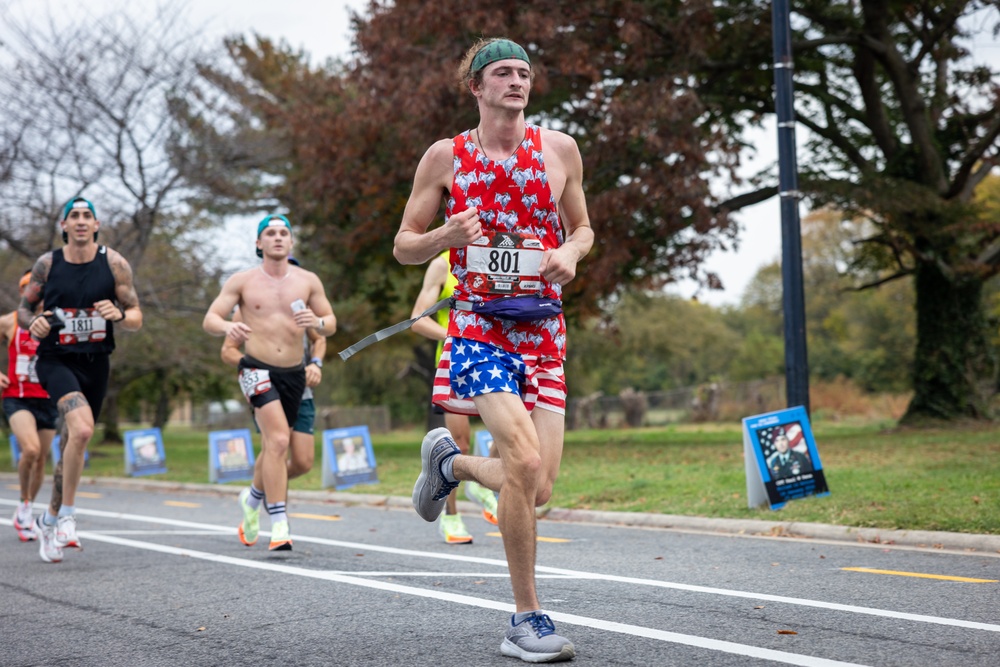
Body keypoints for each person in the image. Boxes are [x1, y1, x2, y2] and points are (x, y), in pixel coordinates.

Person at [392, 38, 593, 663]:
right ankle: (526, 619)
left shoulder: (560, 150)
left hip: (543, 330)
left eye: (524, 73)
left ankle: (449, 467)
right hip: (478, 329)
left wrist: (570, 252)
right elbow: (403, 244)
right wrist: (445, 234)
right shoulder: (446, 156)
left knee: (538, 489)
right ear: (476, 87)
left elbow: (584, 226)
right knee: (524, 463)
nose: (516, 81)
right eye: (502, 73)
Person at [19, 197, 143, 563]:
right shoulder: (48, 264)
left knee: (73, 439)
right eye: (74, 216)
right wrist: (34, 323)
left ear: (96, 223)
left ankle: (50, 518)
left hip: (96, 362)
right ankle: (69, 517)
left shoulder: (115, 263)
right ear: (64, 225)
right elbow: (25, 309)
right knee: (83, 430)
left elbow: (136, 315)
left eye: (87, 215)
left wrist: (119, 314)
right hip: (56, 359)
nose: (81, 221)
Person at [204, 214, 335, 551]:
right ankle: (279, 523)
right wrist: (226, 329)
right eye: (270, 233)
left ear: (291, 242)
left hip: (294, 373)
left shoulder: (307, 281)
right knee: (277, 440)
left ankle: (252, 499)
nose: (278, 238)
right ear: (259, 243)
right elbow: (211, 319)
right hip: (256, 369)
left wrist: (318, 321)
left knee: (289, 452)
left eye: (283, 233)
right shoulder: (242, 281)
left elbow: (330, 325)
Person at [410, 251, 499, 545]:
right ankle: (451, 515)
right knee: (457, 444)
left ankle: (482, 487)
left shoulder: (496, 255)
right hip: (454, 362)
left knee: (510, 427)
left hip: (495, 360)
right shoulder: (441, 263)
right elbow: (418, 319)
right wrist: (453, 334)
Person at [1, 270, 57, 542]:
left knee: (41, 460)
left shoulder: (56, 321)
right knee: (31, 450)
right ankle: (23, 500)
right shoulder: (11, 321)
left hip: (48, 398)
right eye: (29, 289)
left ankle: (25, 508)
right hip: (17, 396)